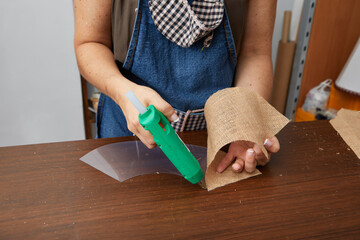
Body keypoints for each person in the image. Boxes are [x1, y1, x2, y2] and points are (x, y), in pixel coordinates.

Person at [74, 0, 280, 174]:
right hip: (128, 134)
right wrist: (124, 93)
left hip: (221, 145)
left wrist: (246, 123)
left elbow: (255, 53)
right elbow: (90, 43)